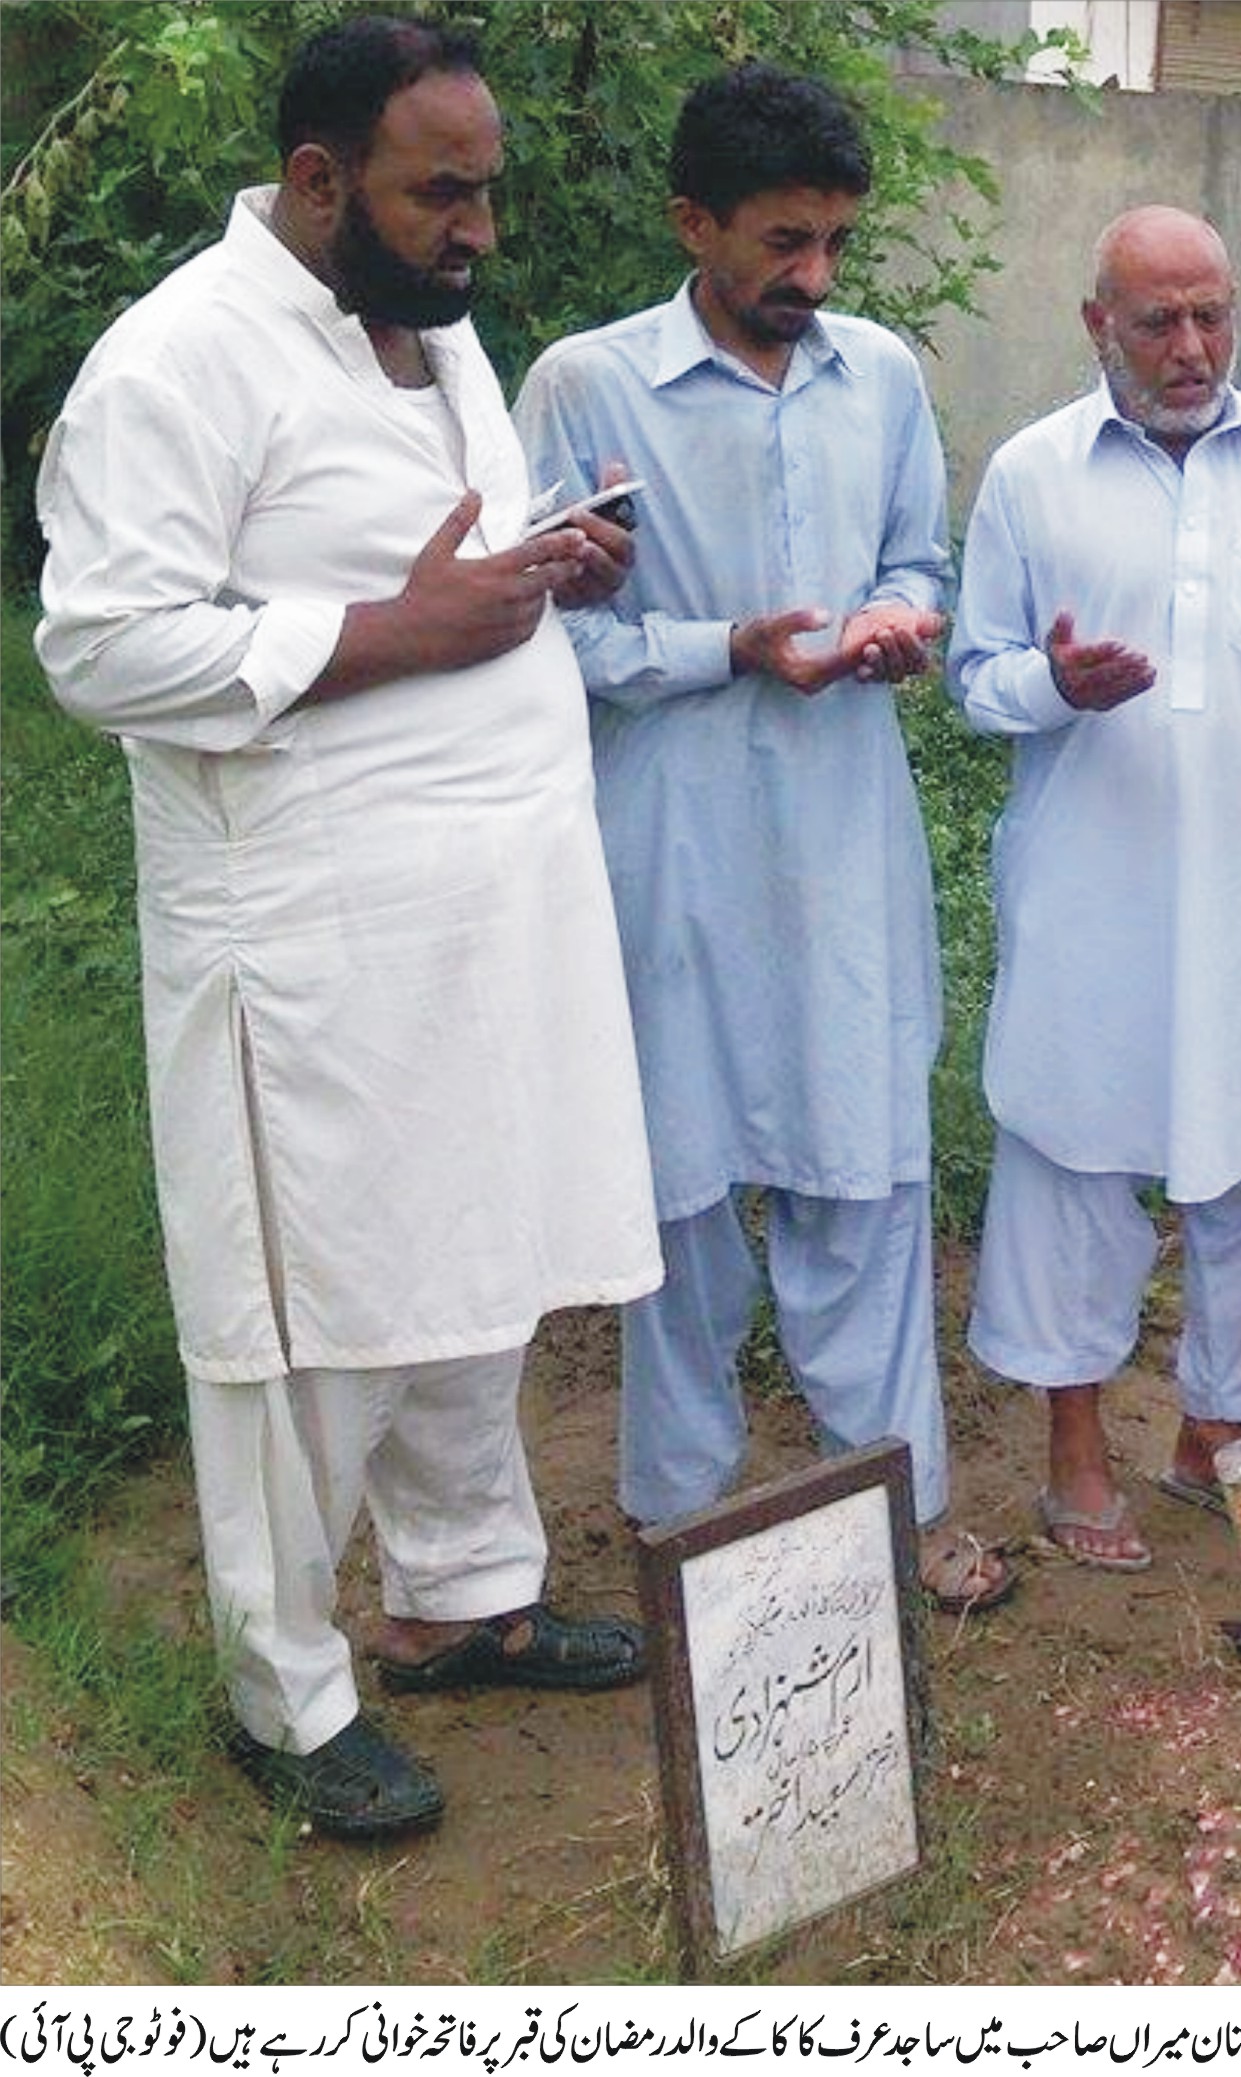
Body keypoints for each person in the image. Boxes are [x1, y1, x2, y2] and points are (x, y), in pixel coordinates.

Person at [33, 16, 665, 1838]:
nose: (479, 230)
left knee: (472, 1265)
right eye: (438, 193)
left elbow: (436, 554)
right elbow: (99, 647)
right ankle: (287, 1693)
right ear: (319, 181)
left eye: (485, 191)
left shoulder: (433, 327)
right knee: (311, 1321)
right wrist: (401, 631)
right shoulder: (178, 359)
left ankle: (461, 1597)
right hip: (311, 948)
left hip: (491, 916)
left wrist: (548, 558)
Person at [511, 63, 1011, 1614]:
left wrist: (894, 623)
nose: (817, 275)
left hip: (845, 831)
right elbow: (537, 633)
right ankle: (680, 1525)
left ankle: (901, 1507)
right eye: (785, 241)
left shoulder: (882, 378)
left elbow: (920, 559)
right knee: (677, 1189)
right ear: (693, 222)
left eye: (836, 242)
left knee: (866, 1172)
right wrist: (724, 646)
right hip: (668, 837)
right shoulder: (589, 386)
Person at [946, 205, 1241, 1571]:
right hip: (1092, 889)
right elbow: (976, 680)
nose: (1192, 347)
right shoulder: (1033, 473)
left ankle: (1222, 1435)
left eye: (1213, 315)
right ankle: (1076, 1457)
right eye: (1158, 322)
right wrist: (1055, 685)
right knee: (1074, 1161)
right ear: (1099, 325)